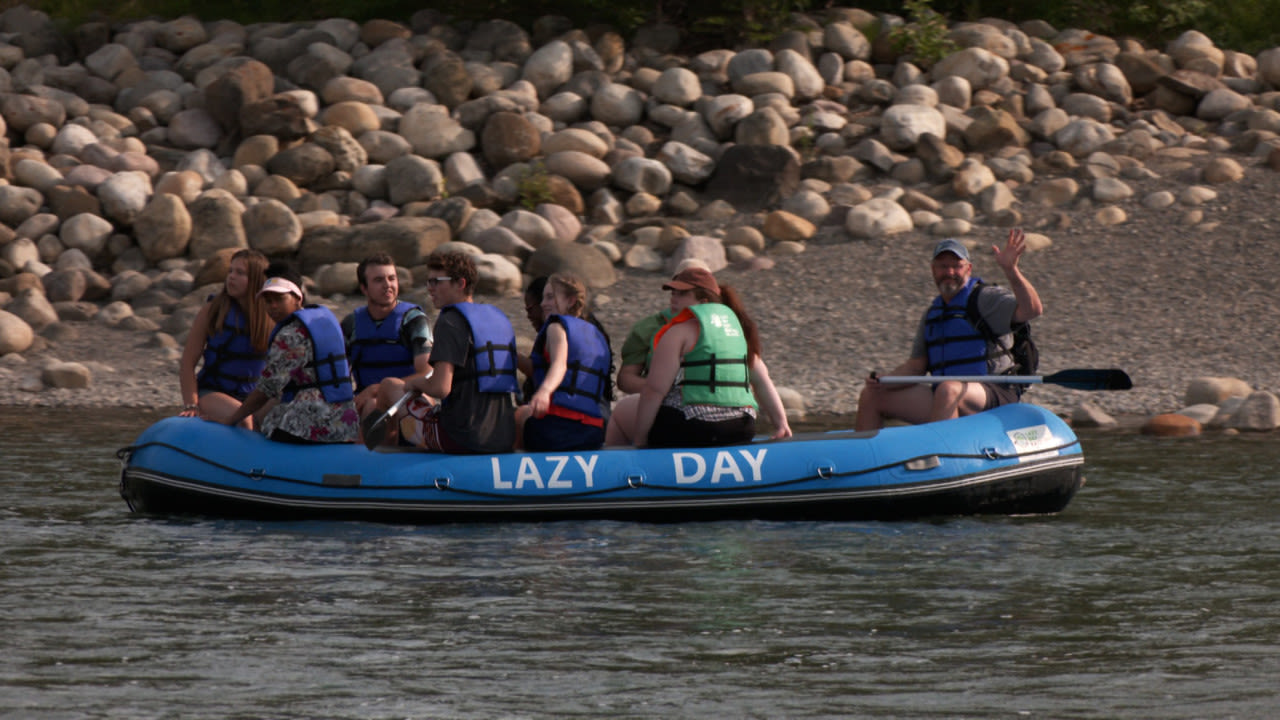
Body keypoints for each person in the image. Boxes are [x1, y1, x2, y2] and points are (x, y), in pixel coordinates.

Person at [854, 229, 1044, 431]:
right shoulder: (933, 314)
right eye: (943, 266)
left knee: (948, 389)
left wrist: (1011, 270)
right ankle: (863, 458)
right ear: (933, 270)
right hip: (947, 396)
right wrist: (883, 380)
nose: (950, 272)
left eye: (956, 266)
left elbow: (1032, 310)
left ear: (968, 269)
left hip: (995, 393)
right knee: (872, 395)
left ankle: (939, 456)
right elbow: (915, 367)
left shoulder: (986, 298)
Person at [607, 267, 792, 447]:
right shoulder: (735, 332)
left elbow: (653, 391)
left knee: (622, 410)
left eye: (682, 294)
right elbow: (762, 381)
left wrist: (640, 440)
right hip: (741, 427)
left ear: (703, 302)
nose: (673, 298)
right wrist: (781, 423)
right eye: (673, 293)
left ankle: (619, 470)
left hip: (694, 427)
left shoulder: (677, 332)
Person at [394, 251, 518, 453]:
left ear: (460, 283)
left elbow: (441, 388)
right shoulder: (497, 319)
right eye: (428, 282)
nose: (429, 288)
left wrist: (413, 383)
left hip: (460, 437)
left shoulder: (450, 321)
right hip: (503, 437)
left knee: (391, 387)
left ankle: (377, 465)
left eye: (436, 282)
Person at [223, 264, 359, 444]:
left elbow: (266, 389)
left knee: (266, 419)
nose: (273, 306)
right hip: (345, 420)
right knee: (267, 411)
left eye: (279, 299)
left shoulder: (291, 335)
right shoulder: (323, 318)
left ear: (297, 298)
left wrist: (231, 419)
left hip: (313, 423)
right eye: (268, 301)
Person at [514, 273, 614, 451]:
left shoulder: (555, 326)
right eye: (544, 297)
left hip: (558, 428)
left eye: (550, 297)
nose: (543, 303)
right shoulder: (595, 333)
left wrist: (544, 391)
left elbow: (560, 365)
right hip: (593, 430)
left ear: (570, 300)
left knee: (520, 419)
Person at [178, 248, 271, 427]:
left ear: (257, 281)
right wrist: (191, 404)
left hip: (253, 396)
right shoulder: (213, 310)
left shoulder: (270, 316)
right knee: (244, 420)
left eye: (240, 273)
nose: (231, 277)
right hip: (213, 392)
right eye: (230, 271)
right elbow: (187, 363)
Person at [341, 253, 433, 418]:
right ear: (364, 288)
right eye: (378, 280)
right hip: (364, 398)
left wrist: (377, 389)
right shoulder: (351, 324)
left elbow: (427, 373)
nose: (387, 285)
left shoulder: (414, 320)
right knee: (369, 407)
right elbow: (339, 375)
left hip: (408, 395)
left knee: (373, 407)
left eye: (392, 278)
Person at [519, 276, 548, 403]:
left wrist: (507, 353)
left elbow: (537, 372)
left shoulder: (556, 332)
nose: (529, 316)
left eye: (530, 309)